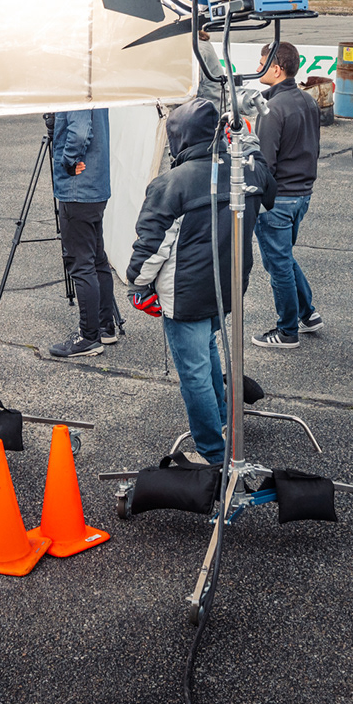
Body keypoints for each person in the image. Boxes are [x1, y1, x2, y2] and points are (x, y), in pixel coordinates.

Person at [126, 98, 271, 464]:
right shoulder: (245, 171)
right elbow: (269, 188)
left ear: (179, 138)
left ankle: (212, 453)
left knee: (194, 373)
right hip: (229, 287)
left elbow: (151, 247)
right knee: (207, 348)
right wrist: (248, 144)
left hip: (186, 294)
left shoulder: (171, 183)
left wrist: (137, 285)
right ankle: (222, 422)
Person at [248, 41, 324, 350]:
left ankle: (287, 330)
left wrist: (255, 199)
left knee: (278, 265)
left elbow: (264, 164)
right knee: (283, 258)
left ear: (277, 70)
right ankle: (307, 314)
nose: (257, 68)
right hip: (301, 195)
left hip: (277, 201)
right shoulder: (307, 100)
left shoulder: (272, 109)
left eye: (262, 63)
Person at [47, 108, 121, 359]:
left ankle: (89, 337)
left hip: (78, 189)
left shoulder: (77, 90)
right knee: (97, 260)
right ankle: (104, 327)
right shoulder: (93, 89)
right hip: (95, 186)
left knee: (82, 264)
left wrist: (68, 160)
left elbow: (79, 132)